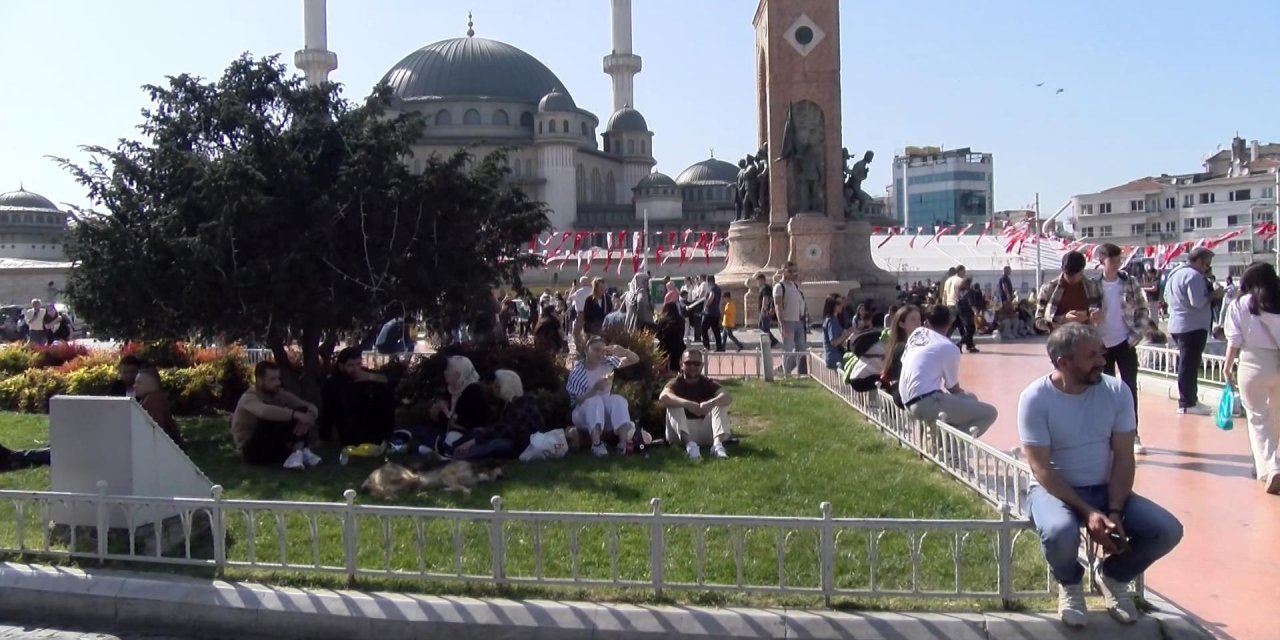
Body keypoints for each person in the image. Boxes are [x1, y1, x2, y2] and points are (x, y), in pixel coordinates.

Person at [1019, 323, 1183, 628]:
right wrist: (1089, 512)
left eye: (1101, 352)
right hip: (1054, 490)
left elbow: (1123, 456)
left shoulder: (1117, 391)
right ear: (1062, 363)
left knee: (1167, 530)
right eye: (1091, 355)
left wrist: (1115, 509)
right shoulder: (1035, 398)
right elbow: (1040, 468)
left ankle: (1113, 576)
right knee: (1058, 533)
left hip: (1106, 487)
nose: (1101, 361)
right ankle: (1069, 584)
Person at [898, 305, 999, 437]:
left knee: (970, 399)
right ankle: (952, 449)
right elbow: (952, 387)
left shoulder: (917, 335)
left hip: (905, 400)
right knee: (989, 413)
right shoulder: (948, 347)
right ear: (950, 323)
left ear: (926, 322)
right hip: (925, 403)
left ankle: (942, 441)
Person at [1223, 262, 1280, 492]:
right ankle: (1275, 462)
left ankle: (1270, 467)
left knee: (1258, 418)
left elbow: (1234, 340)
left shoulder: (1240, 304)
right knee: (1277, 417)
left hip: (1252, 363)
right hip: (1278, 362)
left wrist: (1228, 368)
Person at [1094, 244, 1151, 455]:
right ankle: (1108, 434)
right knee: (1104, 390)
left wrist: (1136, 335)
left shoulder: (1129, 282)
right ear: (1102, 261)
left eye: (1120, 260)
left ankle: (1133, 433)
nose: (1118, 264)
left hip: (1125, 342)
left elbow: (1142, 309)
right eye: (1113, 260)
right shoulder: (1093, 285)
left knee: (1128, 388)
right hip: (1101, 345)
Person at [231, 361, 322, 470]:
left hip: (273, 445)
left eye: (278, 379)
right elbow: (263, 411)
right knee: (273, 416)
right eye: (272, 380)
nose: (278, 383)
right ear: (260, 381)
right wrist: (296, 415)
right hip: (252, 449)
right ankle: (299, 451)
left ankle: (298, 451)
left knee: (302, 411)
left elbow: (308, 406)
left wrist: (309, 416)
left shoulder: (277, 393)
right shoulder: (249, 397)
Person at [565, 337, 640, 457]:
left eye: (603, 351)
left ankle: (623, 443)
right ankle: (596, 444)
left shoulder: (608, 362)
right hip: (583, 413)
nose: (600, 354)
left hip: (604, 412)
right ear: (586, 350)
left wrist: (624, 351)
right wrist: (594, 389)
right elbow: (576, 401)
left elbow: (635, 359)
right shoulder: (578, 371)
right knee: (595, 400)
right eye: (596, 350)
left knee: (618, 400)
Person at [1163, 248, 1215, 415]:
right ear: (1199, 261)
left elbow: (1165, 297)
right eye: (1206, 264)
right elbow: (1198, 302)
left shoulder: (1175, 274)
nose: (1207, 268)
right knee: (1189, 365)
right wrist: (1215, 295)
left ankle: (1190, 399)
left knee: (1188, 363)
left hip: (1179, 324)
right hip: (1191, 326)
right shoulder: (1194, 276)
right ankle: (1187, 402)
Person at [452, 369, 543, 460]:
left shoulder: (523, 403)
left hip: (522, 444)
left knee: (496, 443)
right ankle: (449, 450)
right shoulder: (504, 403)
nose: (493, 388)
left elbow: (506, 429)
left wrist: (474, 441)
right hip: (507, 437)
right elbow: (493, 426)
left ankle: (460, 457)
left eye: (497, 386)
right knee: (478, 431)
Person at [659, 349, 732, 460]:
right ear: (681, 365)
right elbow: (663, 397)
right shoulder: (675, 383)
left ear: (702, 365)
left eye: (696, 363)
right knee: (673, 405)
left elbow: (727, 396)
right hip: (681, 435)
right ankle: (691, 447)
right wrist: (687, 404)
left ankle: (717, 446)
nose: (692, 367)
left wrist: (711, 403)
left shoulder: (707, 383)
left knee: (719, 404)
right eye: (688, 363)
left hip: (706, 432)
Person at [319, 347, 395, 446]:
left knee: (384, 394)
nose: (356, 369)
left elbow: (391, 379)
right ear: (341, 366)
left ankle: (386, 437)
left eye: (358, 364)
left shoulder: (364, 374)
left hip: (370, 421)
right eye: (351, 365)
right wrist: (324, 436)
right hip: (350, 428)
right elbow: (328, 412)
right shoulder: (333, 383)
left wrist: (369, 377)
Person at [1036, 251, 1103, 332]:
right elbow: (1038, 321)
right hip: (1060, 339)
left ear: (1082, 270)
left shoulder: (1093, 287)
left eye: (1075, 274)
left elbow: (1102, 313)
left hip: (1086, 337)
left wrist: (1090, 316)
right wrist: (1063, 319)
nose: (1072, 278)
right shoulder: (1049, 288)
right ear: (1062, 269)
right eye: (1068, 274)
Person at [879, 305, 922, 407]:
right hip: (903, 392)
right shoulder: (902, 347)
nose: (918, 323)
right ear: (902, 324)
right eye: (912, 319)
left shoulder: (911, 343)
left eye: (919, 319)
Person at [134, 367, 183, 448]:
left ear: (150, 385)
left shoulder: (153, 400)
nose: (134, 386)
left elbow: (155, 430)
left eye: (138, 383)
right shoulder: (151, 398)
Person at [773, 262, 808, 375]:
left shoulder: (795, 285)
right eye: (790, 271)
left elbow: (800, 302)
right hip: (787, 322)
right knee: (788, 349)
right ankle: (786, 374)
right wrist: (781, 324)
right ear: (783, 271)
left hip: (798, 321)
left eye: (795, 271)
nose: (793, 273)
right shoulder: (779, 287)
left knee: (801, 349)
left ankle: (801, 373)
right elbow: (778, 306)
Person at [821, 294, 859, 370]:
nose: (841, 305)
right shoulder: (832, 321)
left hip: (834, 357)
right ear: (832, 305)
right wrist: (847, 333)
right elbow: (834, 342)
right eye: (838, 303)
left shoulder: (832, 319)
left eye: (841, 303)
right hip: (835, 359)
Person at [655, 302, 687, 373]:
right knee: (677, 366)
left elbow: (657, 334)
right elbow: (682, 333)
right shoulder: (681, 320)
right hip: (678, 347)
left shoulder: (662, 320)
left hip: (665, 347)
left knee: (663, 367)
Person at [753, 272, 780, 347]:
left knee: (764, 326)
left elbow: (766, 298)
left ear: (762, 280)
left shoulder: (765, 287)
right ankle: (772, 340)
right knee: (761, 325)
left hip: (766, 310)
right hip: (765, 310)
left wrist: (763, 309)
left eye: (758, 280)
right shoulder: (763, 288)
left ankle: (772, 341)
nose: (757, 282)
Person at [698, 275, 724, 352]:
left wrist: (706, 306)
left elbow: (711, 297)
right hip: (716, 313)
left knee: (703, 329)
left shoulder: (712, 288)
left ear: (708, 281)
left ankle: (706, 347)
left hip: (710, 313)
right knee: (716, 330)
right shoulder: (718, 289)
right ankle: (719, 347)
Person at [954, 278, 981, 353]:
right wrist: (976, 312)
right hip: (967, 313)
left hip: (960, 312)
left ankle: (970, 345)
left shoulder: (960, 292)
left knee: (969, 329)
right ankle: (959, 343)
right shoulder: (969, 292)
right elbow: (971, 303)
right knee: (970, 329)